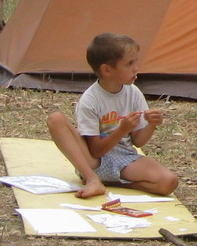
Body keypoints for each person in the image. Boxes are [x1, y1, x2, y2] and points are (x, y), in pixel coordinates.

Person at [46, 32, 179, 198]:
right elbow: (95, 151)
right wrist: (121, 130)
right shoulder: (90, 99)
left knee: (168, 182)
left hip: (124, 157)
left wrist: (151, 124)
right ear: (107, 70)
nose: (136, 68)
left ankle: (112, 182)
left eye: (136, 62)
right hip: (93, 161)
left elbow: (138, 141)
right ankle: (92, 178)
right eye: (129, 63)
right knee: (55, 119)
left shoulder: (134, 93)